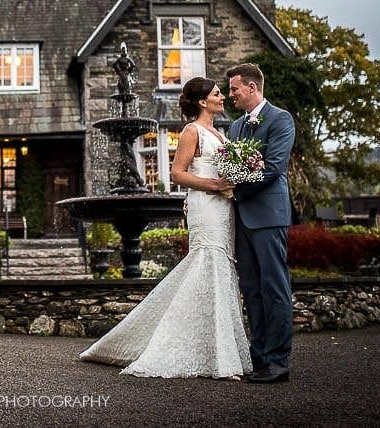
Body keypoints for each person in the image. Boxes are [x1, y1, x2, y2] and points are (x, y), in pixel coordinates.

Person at [78, 77, 251, 380]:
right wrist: (214, 184)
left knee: (218, 270)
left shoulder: (220, 134)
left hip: (225, 209)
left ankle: (215, 353)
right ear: (202, 101)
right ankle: (215, 360)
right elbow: (178, 174)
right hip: (206, 207)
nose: (222, 96)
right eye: (216, 93)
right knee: (206, 265)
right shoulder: (191, 131)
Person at [226, 62, 295, 384]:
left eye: (234, 89)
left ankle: (278, 362)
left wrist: (234, 190)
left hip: (268, 216)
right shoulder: (236, 127)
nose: (230, 95)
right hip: (243, 218)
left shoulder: (281, 119)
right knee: (251, 289)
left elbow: (274, 168)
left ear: (252, 87)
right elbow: (229, 166)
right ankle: (259, 357)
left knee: (274, 288)